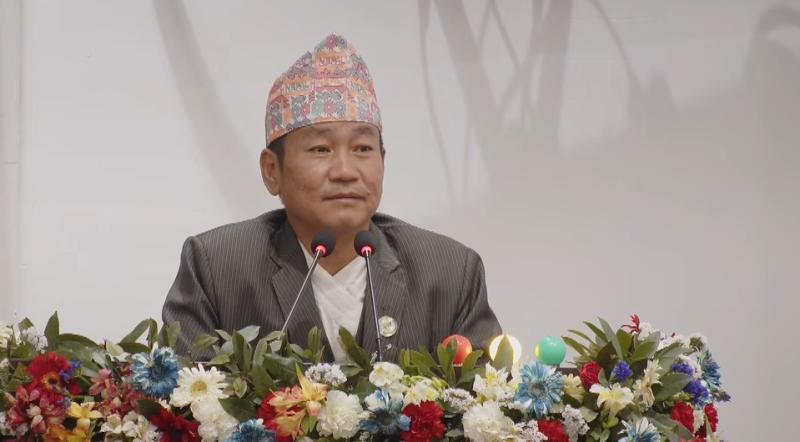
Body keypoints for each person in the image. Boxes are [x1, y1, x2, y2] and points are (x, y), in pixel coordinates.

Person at [162, 34, 501, 362]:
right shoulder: (217, 268)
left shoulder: (450, 273)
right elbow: (179, 394)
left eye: (363, 149)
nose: (345, 171)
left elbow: (488, 394)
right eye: (321, 149)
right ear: (272, 170)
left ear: (383, 162)